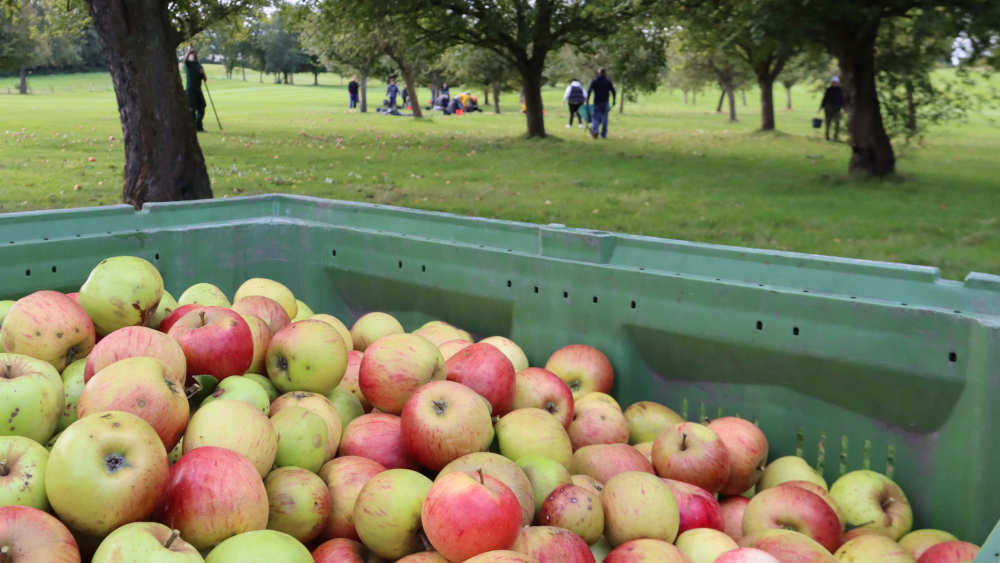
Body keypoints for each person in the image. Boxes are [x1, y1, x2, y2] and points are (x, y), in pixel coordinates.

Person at [586, 68, 616, 139]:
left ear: (598, 73)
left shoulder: (594, 81)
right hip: (605, 103)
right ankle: (604, 135)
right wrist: (614, 101)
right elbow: (613, 91)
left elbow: (589, 91)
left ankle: (595, 131)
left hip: (597, 103)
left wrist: (587, 100)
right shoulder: (608, 81)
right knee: (605, 119)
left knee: (595, 118)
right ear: (605, 73)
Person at [183, 46, 208, 132]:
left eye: (194, 54)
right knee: (192, 109)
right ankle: (194, 128)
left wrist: (203, 73)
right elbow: (185, 60)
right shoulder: (188, 64)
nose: (193, 55)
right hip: (190, 90)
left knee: (202, 108)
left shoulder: (199, 65)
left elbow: (205, 79)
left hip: (198, 90)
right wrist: (189, 50)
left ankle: (198, 126)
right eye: (191, 54)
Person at [819, 76, 846, 141]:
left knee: (837, 122)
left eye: (836, 82)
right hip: (828, 108)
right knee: (828, 122)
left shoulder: (840, 90)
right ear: (831, 82)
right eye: (833, 82)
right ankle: (827, 136)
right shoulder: (828, 89)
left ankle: (835, 137)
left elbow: (842, 99)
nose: (834, 83)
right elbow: (825, 99)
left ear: (838, 83)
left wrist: (844, 108)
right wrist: (821, 107)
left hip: (837, 108)